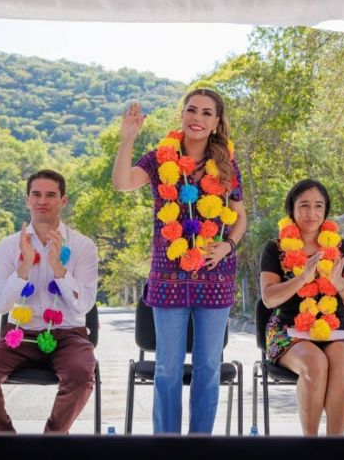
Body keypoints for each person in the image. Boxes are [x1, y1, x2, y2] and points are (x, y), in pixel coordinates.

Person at [112, 88, 248, 434]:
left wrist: (227, 246)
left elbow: (239, 216)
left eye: (206, 113)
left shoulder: (226, 164)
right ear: (182, 115)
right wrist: (127, 139)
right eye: (191, 110)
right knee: (167, 368)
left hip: (215, 277)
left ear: (217, 122)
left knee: (208, 367)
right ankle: (166, 446)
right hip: (167, 275)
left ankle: (199, 446)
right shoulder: (160, 157)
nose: (197, 118)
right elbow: (122, 183)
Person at [0, 169, 98, 434]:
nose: (42, 201)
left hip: (68, 335)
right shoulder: (9, 245)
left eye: (51, 195)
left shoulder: (83, 246)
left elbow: (84, 305)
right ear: (27, 200)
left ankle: (49, 445)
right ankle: (9, 445)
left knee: (81, 377)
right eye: (36, 194)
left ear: (63, 201)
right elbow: (0, 306)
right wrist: (23, 269)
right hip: (20, 335)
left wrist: (59, 270)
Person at [259, 179, 344, 436]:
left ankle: (334, 448)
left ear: (325, 210)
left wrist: (338, 282)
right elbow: (269, 299)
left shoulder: (341, 248)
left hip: (334, 330)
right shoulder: (275, 248)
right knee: (315, 364)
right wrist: (302, 279)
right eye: (304, 205)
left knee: (341, 361)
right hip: (287, 330)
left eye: (318, 206)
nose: (311, 213)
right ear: (292, 209)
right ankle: (311, 446)